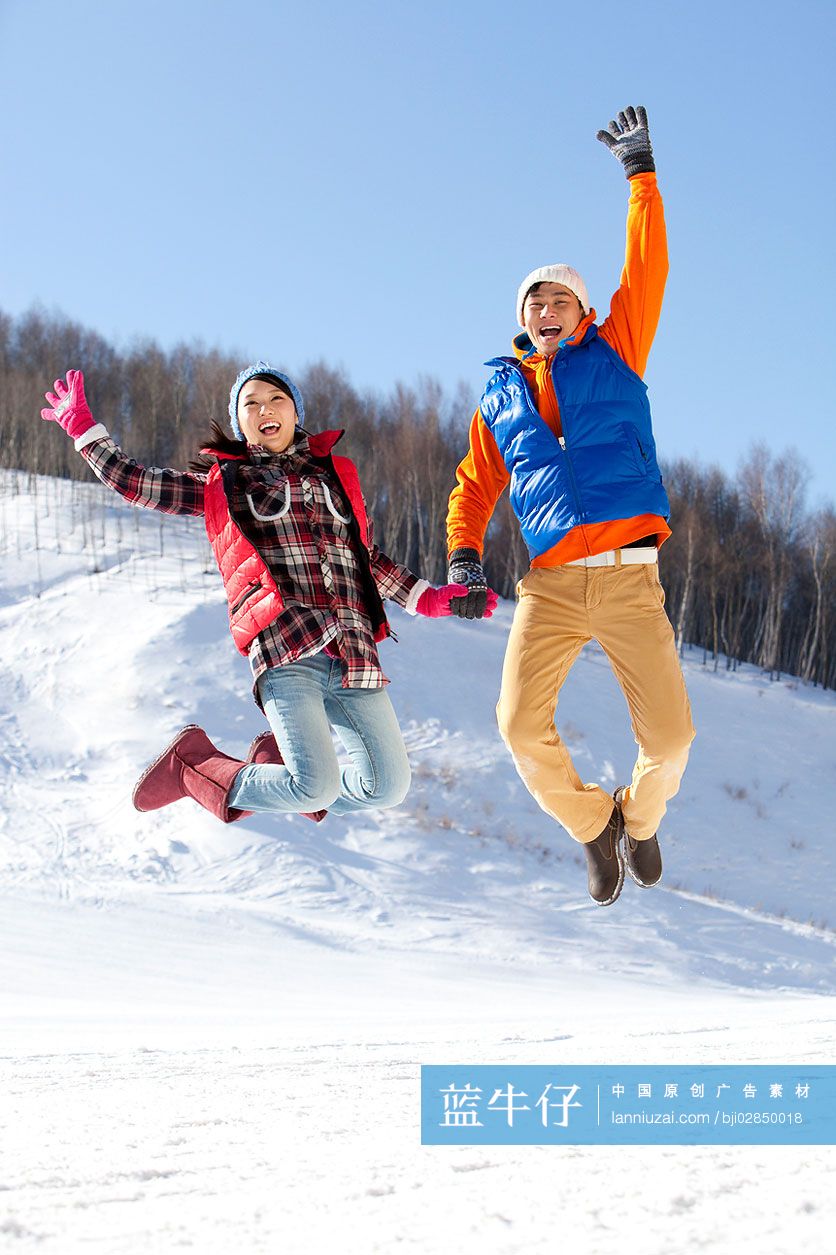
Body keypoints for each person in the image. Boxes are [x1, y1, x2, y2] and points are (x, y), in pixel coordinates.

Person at [41, 362, 497, 825]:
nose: (264, 409)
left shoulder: (337, 477)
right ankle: (193, 768)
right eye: (250, 404)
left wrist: (428, 598)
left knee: (386, 786)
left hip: (353, 649)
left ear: (295, 411)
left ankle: (273, 775)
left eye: (276, 399)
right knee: (312, 787)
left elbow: (365, 557)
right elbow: (138, 483)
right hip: (287, 648)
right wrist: (86, 431)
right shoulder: (224, 484)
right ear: (240, 424)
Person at [445, 106, 695, 907]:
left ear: (582, 311)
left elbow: (647, 266)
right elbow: (474, 483)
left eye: (557, 298)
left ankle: (641, 817)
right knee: (518, 726)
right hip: (551, 587)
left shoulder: (617, 345)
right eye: (531, 302)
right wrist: (462, 551)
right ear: (521, 320)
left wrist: (640, 172)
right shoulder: (502, 396)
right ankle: (594, 825)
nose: (543, 308)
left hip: (627, 579)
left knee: (672, 739)